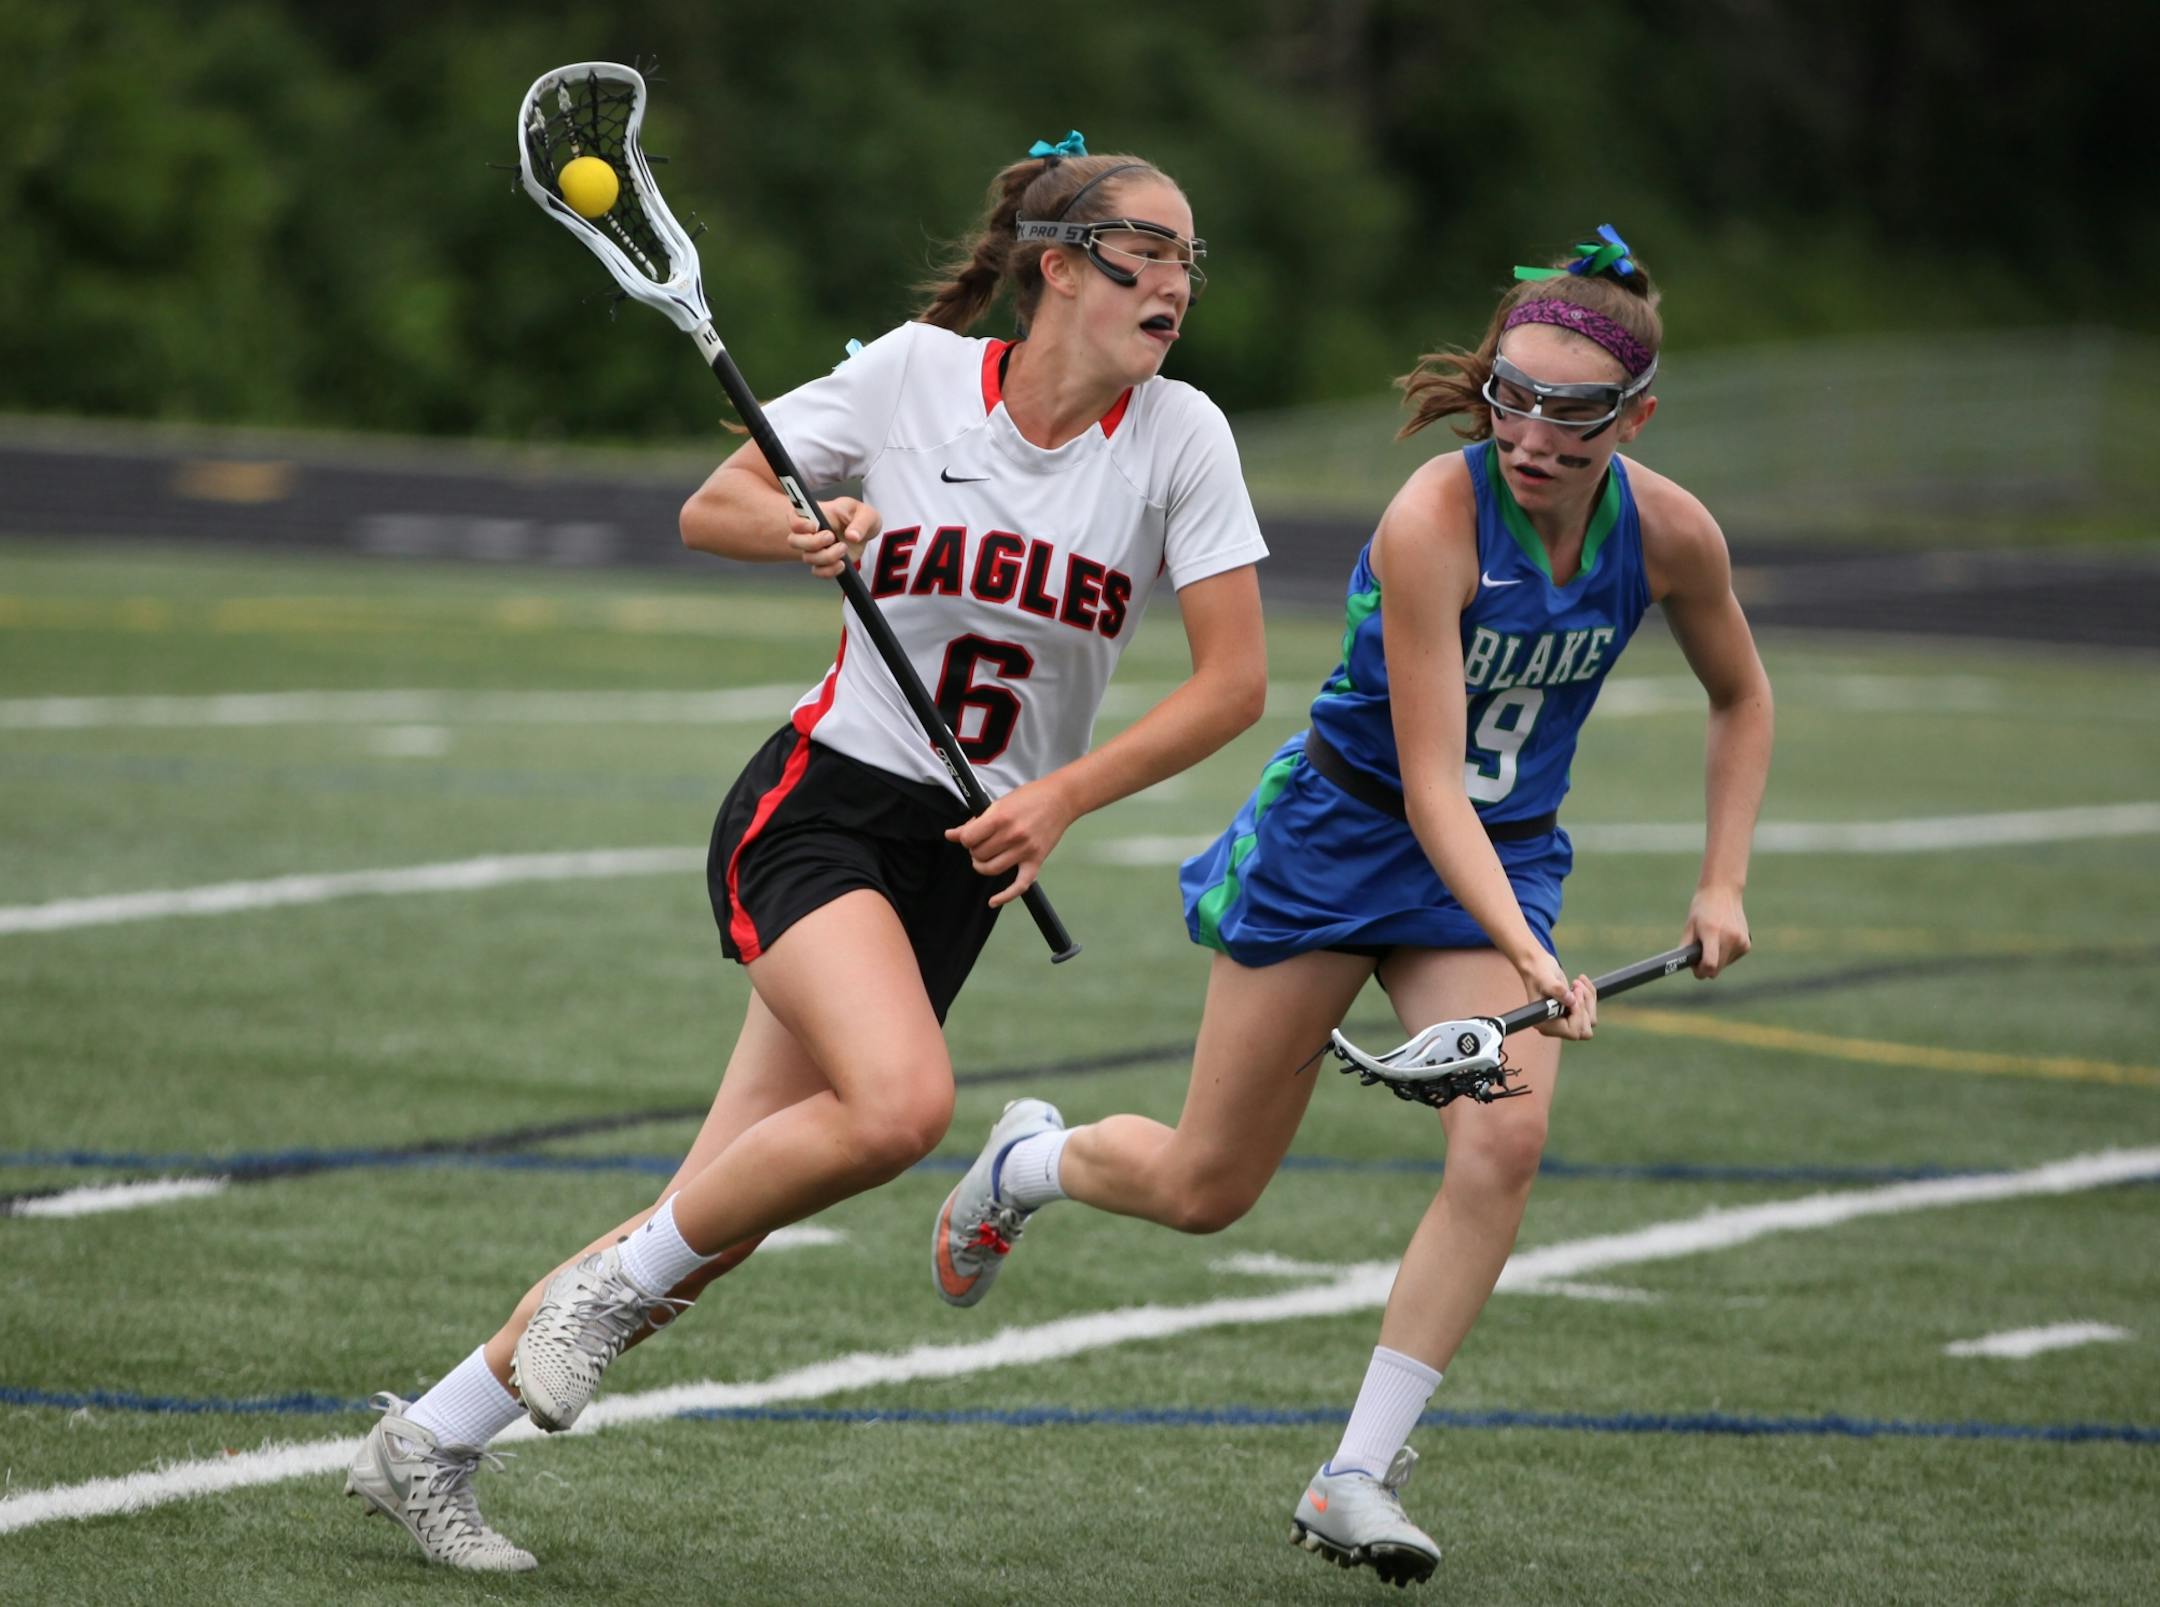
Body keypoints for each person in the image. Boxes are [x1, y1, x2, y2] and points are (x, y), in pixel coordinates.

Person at [344, 133, 1270, 1572]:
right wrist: (810, 531)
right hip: (824, 805)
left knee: (702, 1228)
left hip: (965, 860)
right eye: (1149, 249)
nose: (1178, 281)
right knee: (901, 1109)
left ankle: (429, 1445)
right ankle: (585, 1312)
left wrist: (1066, 797)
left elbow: (1234, 686)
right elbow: (714, 504)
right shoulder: (911, 375)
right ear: (1061, 264)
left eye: (1188, 258)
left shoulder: (1179, 438)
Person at [933, 225, 1773, 1587]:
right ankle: (1031, 1162)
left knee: (1503, 1148)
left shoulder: (1670, 534)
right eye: (1515, 395)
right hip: (1346, 840)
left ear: (1637, 416)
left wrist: (1721, 877)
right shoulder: (1433, 519)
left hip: (1499, 866)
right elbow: (1432, 785)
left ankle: (1356, 1474)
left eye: (1575, 412)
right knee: (1209, 1188)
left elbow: (1743, 698)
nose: (1537, 433)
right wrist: (1528, 953)